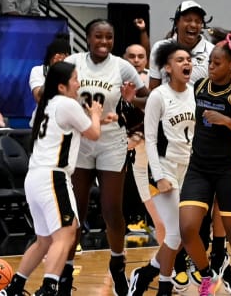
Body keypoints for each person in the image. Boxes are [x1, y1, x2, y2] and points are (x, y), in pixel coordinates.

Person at [0, 62, 102, 296]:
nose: (79, 83)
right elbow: (93, 134)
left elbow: (77, 127)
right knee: (67, 233)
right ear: (62, 86)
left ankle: (14, 287)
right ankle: (49, 287)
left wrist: (97, 119)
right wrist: (96, 115)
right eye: (75, 79)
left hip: (35, 177)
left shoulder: (48, 105)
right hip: (53, 176)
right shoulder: (67, 104)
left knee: (44, 240)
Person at [60, 19, 147, 296]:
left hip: (111, 141)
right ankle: (65, 272)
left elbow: (146, 100)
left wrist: (131, 101)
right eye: (98, 36)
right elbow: (56, 95)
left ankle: (118, 262)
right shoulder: (73, 62)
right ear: (87, 37)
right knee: (77, 210)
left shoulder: (123, 66)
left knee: (111, 209)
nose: (104, 42)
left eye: (109, 37)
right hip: (81, 140)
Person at [179, 32, 231, 296]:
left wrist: (228, 122)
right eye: (210, 62)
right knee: (188, 228)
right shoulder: (199, 86)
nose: (211, 67)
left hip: (228, 169)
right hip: (198, 167)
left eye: (217, 63)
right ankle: (207, 275)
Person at [127, 42, 195, 296]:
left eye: (188, 59)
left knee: (185, 233)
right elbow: (151, 139)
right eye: (179, 60)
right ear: (167, 67)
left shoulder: (194, 94)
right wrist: (160, 175)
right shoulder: (158, 96)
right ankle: (164, 286)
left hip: (188, 169)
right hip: (163, 168)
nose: (186, 63)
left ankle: (146, 274)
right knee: (174, 234)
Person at [122, 43, 166, 243]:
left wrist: (139, 132)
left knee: (165, 209)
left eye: (141, 56)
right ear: (124, 58)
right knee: (135, 192)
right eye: (132, 56)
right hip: (127, 144)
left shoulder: (153, 82)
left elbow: (153, 110)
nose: (136, 60)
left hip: (152, 144)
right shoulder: (116, 78)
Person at [148, 0, 214, 90]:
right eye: (188, 20)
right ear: (176, 22)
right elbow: (153, 89)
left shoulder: (212, 51)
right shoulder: (159, 48)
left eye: (198, 21)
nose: (193, 25)